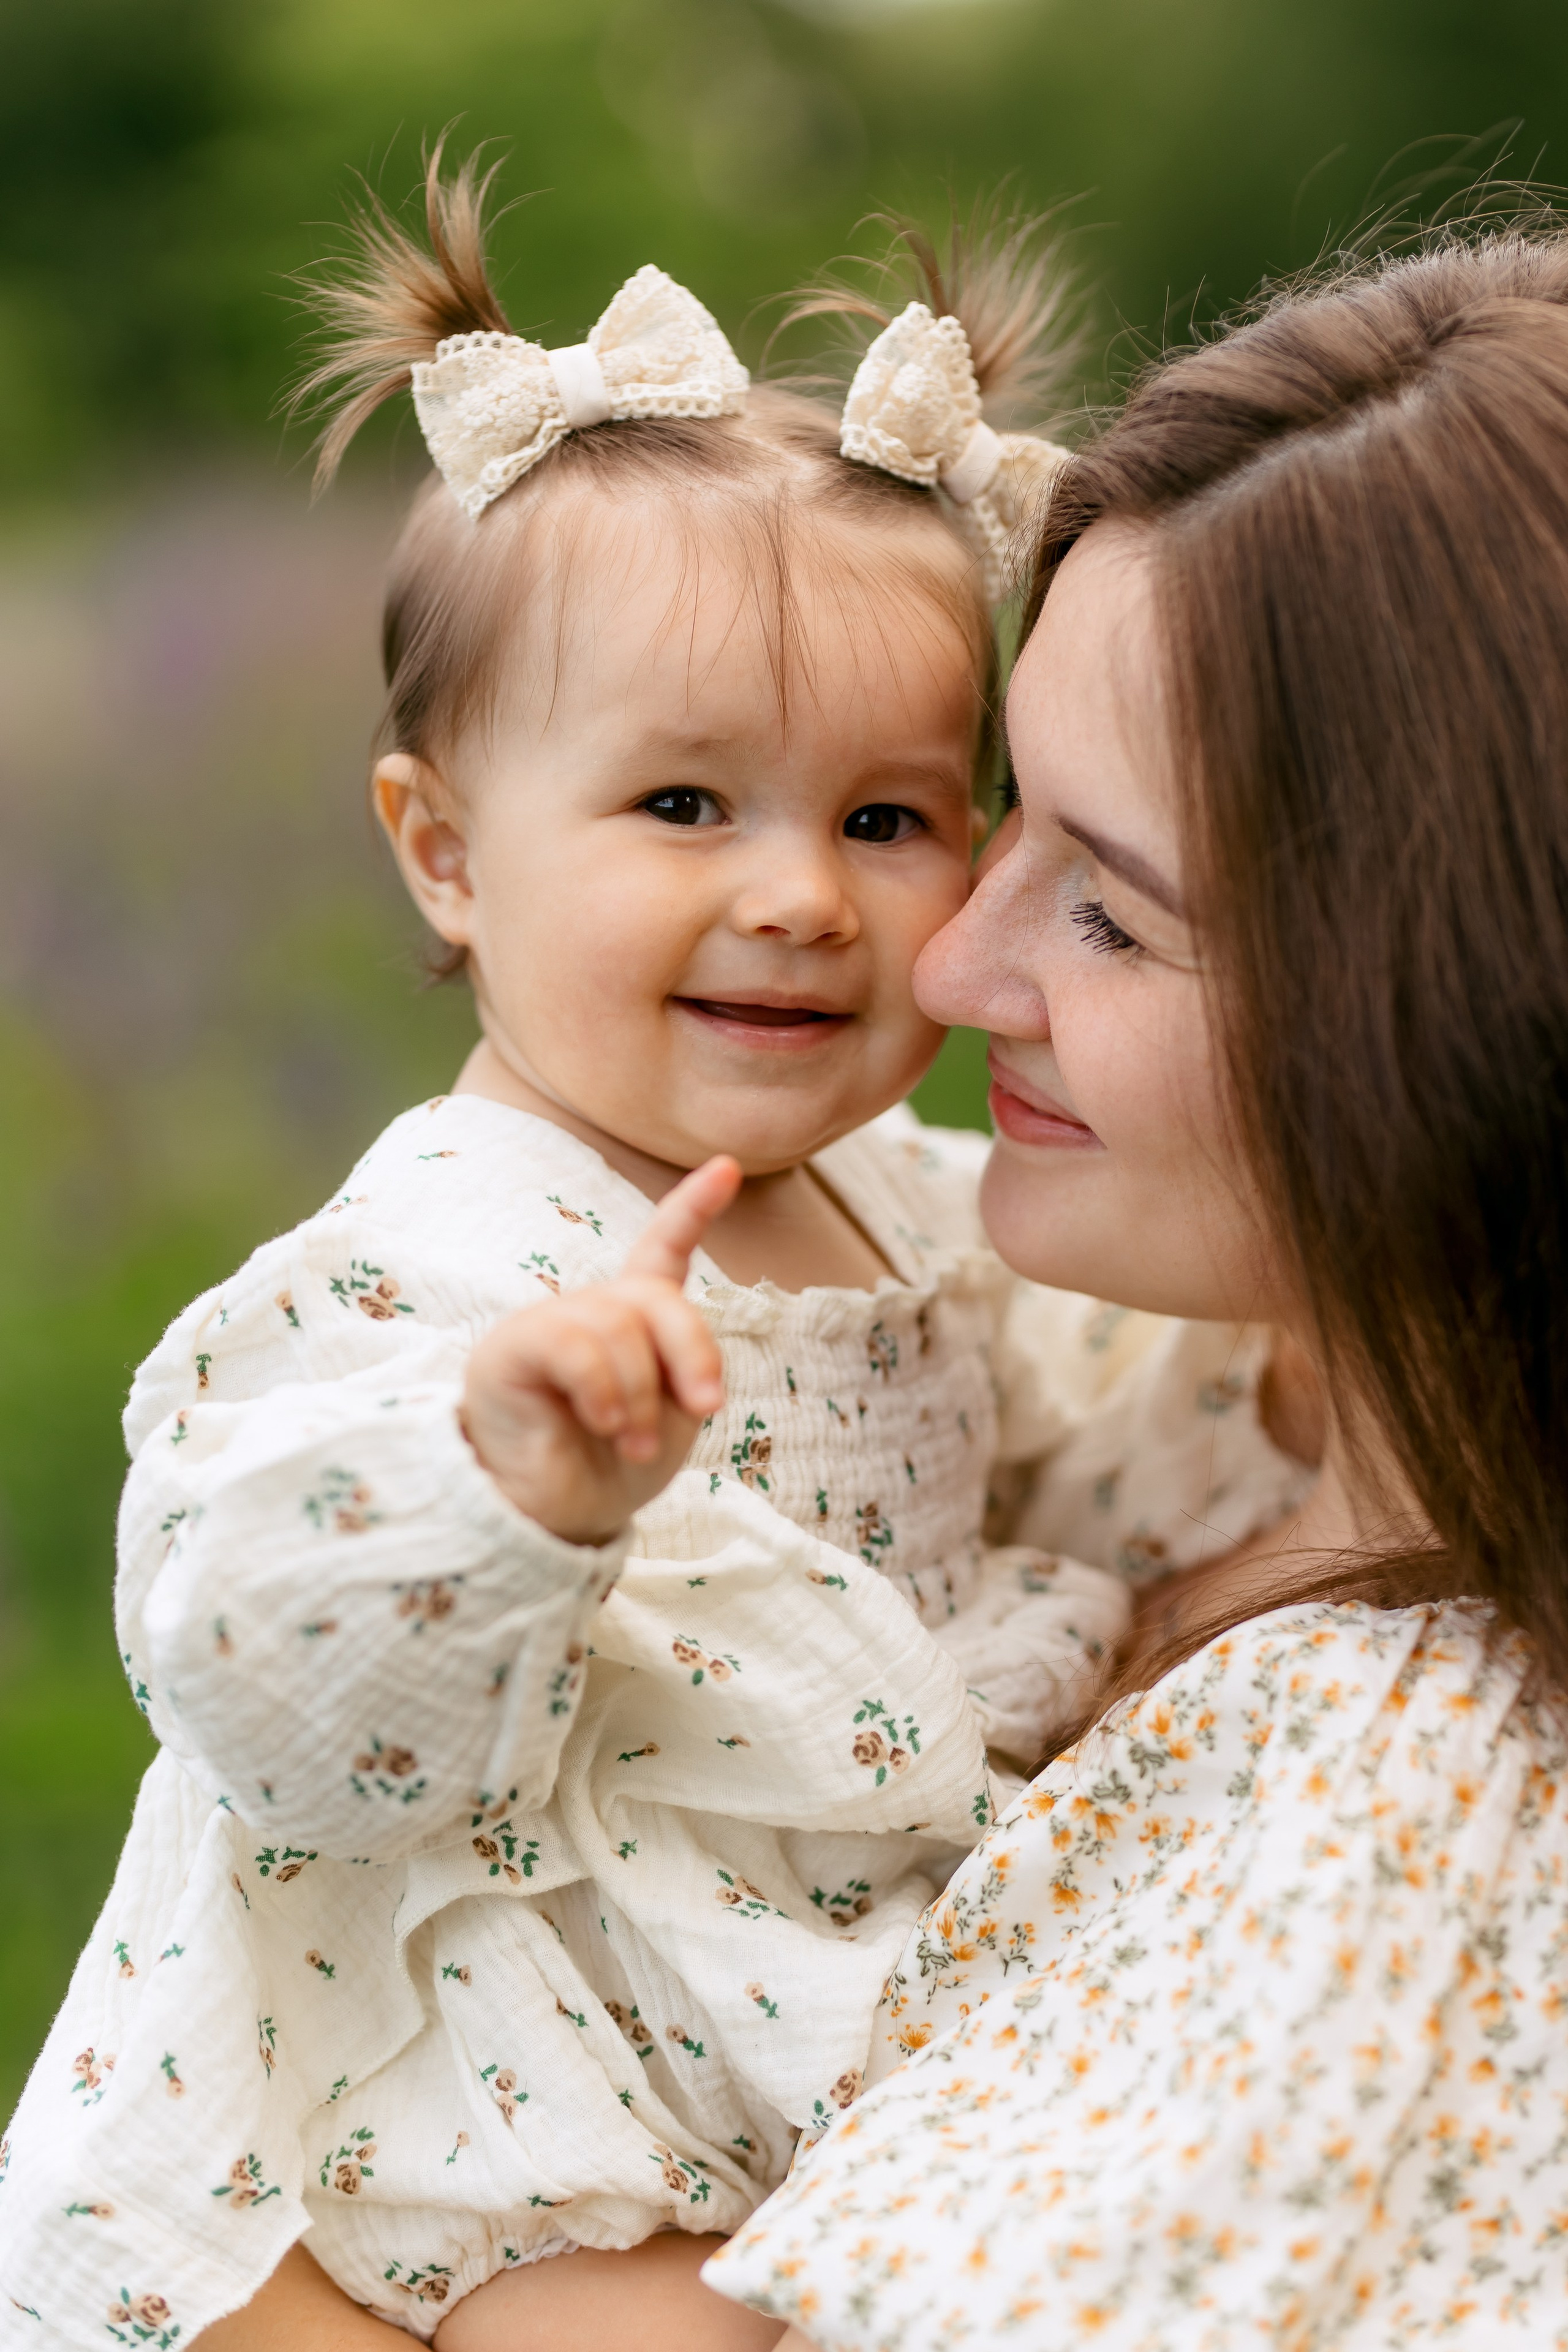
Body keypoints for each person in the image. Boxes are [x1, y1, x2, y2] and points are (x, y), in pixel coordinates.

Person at [0, 156, 1310, 2352]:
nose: (796, 895)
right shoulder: (435, 1265)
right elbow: (248, 1665)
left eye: (883, 818)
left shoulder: (908, 1195)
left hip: (758, 2048)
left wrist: (1289, 1391)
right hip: (463, 2129)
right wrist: (502, 1491)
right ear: (444, 852)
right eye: (685, 806)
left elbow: (1086, 1456)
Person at [703, 217, 1568, 2348]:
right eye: (1005, 816)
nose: (947, 965)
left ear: (1469, 1018)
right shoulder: (1136, 1399)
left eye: (1113, 912)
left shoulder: (1406, 1791)